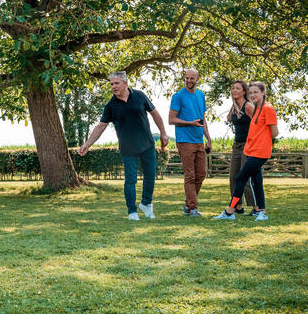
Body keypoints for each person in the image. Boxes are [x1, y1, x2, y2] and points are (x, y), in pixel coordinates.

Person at [78, 71, 169, 220]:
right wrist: (87, 144)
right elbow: (101, 126)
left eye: (116, 83)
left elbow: (155, 113)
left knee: (151, 176)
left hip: (147, 145)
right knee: (131, 180)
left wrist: (163, 133)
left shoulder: (139, 96)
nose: (113, 86)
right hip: (128, 149)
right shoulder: (111, 106)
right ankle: (132, 211)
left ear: (125, 83)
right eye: (111, 84)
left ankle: (146, 204)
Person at [213, 81, 278, 221]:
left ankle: (230, 212)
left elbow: (274, 133)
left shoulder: (268, 108)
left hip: (260, 152)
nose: (253, 95)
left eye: (256, 92)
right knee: (257, 181)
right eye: (251, 92)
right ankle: (261, 211)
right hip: (251, 150)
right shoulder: (256, 109)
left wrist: (260, 141)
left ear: (263, 93)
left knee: (241, 178)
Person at [168, 68, 211, 217]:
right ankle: (193, 208)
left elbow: (202, 118)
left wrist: (209, 138)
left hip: (199, 140)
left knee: (201, 174)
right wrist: (189, 123)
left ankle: (188, 205)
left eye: (192, 78)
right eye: (187, 78)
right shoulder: (178, 96)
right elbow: (171, 119)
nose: (189, 81)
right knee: (190, 175)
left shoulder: (201, 96)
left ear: (198, 79)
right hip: (184, 140)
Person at [225, 79, 258, 215]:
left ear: (244, 91)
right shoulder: (235, 107)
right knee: (233, 178)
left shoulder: (248, 106)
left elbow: (258, 124)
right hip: (236, 145)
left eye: (237, 88)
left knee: (244, 178)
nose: (234, 90)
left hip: (248, 145)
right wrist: (234, 108)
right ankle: (238, 206)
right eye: (233, 88)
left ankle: (256, 208)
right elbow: (228, 119)